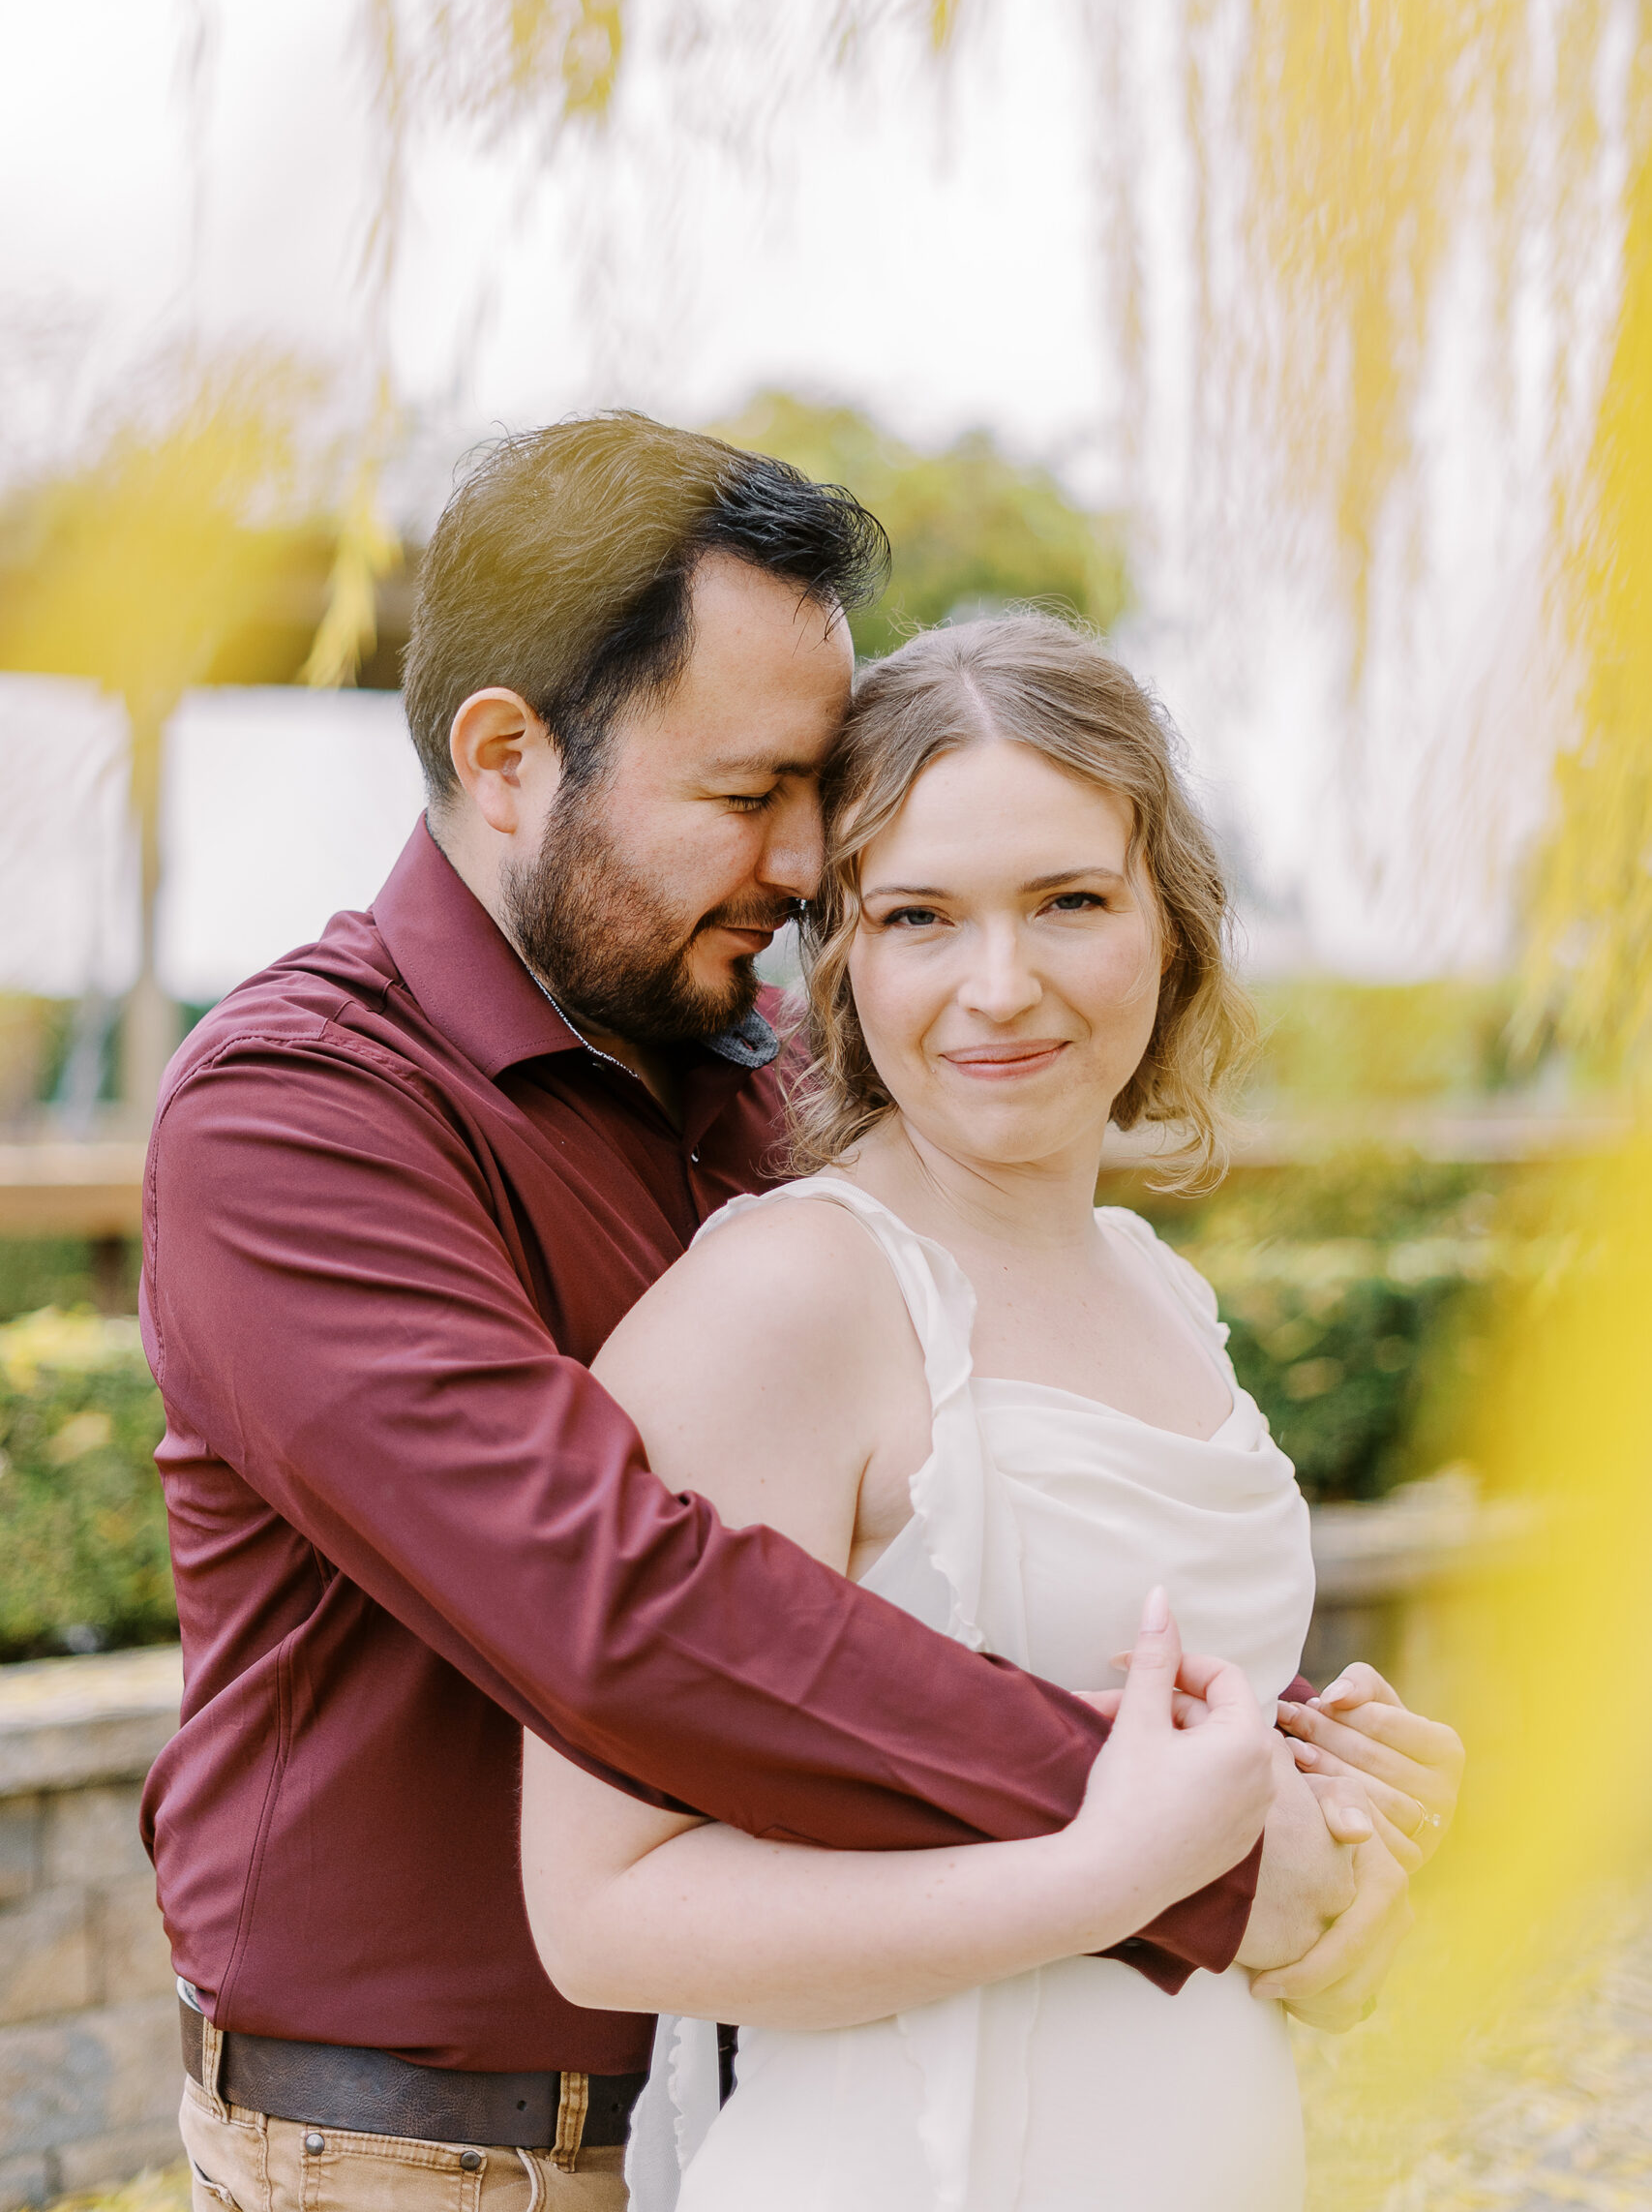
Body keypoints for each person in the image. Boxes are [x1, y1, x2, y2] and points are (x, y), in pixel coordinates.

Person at [143, 416, 1419, 2212]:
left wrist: (1266, 1741)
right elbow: (626, 1606)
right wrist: (1193, 1843)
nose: (808, 864)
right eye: (749, 796)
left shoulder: (748, 1083)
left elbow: (923, 1538)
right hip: (408, 2151)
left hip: (744, 2097)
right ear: (509, 759)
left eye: (818, 799)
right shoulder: (297, 1119)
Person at [519, 615, 1464, 2210]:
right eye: (922, 918)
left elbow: (1154, 1761)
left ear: (1167, 920)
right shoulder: (788, 1305)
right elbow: (606, 1911)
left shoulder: (1160, 1286)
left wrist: (1341, 1815)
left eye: (1069, 902)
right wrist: (1114, 1880)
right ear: (846, 956)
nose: (1000, 986)